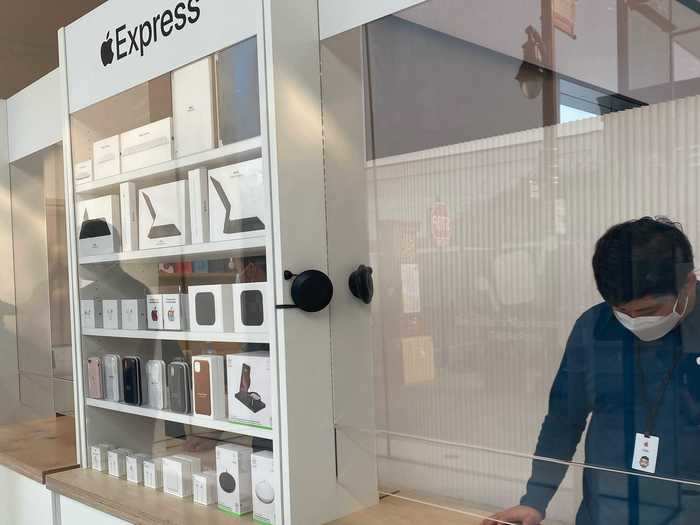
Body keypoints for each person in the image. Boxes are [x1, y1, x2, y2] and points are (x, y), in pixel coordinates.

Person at [483, 217, 700, 525]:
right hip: (607, 510)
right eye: (623, 311)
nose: (635, 321)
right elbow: (563, 419)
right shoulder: (595, 328)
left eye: (648, 311)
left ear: (687, 282)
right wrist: (535, 500)